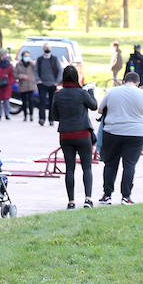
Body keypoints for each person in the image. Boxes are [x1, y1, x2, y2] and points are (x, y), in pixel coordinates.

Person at [50, 65, 97, 209]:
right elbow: (94, 106)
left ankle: (71, 201)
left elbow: (54, 116)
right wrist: (91, 92)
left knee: (69, 169)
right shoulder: (82, 94)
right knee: (86, 167)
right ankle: (88, 199)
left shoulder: (58, 94)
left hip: (65, 135)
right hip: (83, 134)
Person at [98, 72, 143, 205]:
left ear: (124, 81)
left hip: (113, 131)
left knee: (110, 164)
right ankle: (126, 196)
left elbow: (100, 110)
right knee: (129, 165)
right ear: (137, 83)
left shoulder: (112, 92)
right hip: (137, 133)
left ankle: (107, 195)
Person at [35, 44, 61, 126]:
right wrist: (38, 80)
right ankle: (42, 119)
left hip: (52, 84)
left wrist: (57, 81)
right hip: (42, 84)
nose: (47, 49)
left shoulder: (54, 59)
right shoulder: (39, 59)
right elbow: (35, 70)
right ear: (43, 49)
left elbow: (60, 70)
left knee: (52, 102)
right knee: (42, 102)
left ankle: (51, 119)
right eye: (45, 48)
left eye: (48, 48)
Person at [14, 50, 38, 122]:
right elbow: (15, 75)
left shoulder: (32, 64)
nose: (27, 58)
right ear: (22, 57)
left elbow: (37, 70)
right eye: (25, 56)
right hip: (23, 85)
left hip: (31, 85)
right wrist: (21, 76)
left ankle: (31, 115)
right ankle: (25, 115)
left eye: (28, 56)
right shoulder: (18, 64)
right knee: (24, 101)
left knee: (31, 101)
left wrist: (33, 63)